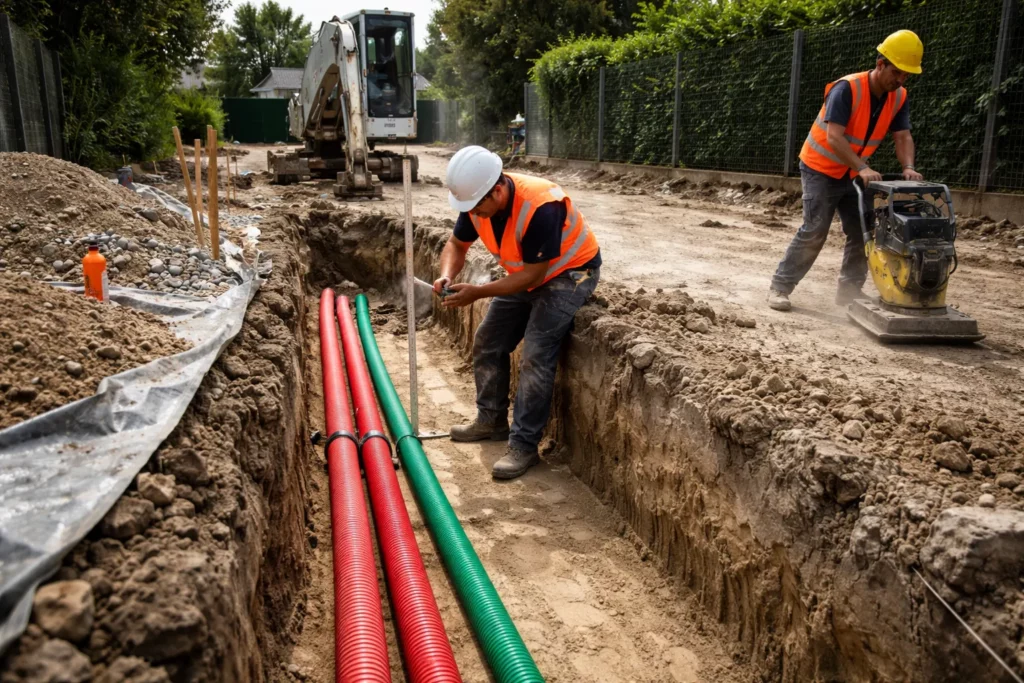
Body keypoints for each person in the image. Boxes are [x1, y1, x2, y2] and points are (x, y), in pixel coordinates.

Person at [435, 146, 601, 480]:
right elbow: (456, 245)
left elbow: (534, 277)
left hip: (570, 273)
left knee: (536, 354)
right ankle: (491, 419)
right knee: (487, 340)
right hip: (525, 272)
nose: (473, 215)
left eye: (477, 208)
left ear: (497, 190)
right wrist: (447, 276)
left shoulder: (540, 205)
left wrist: (478, 293)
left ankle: (524, 445)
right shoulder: (476, 201)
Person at [767, 30, 925, 311]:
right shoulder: (847, 88)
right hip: (820, 168)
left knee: (864, 230)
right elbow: (834, 137)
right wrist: (862, 167)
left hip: (853, 174)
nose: (900, 80)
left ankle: (849, 292)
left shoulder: (898, 97)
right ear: (880, 64)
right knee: (815, 229)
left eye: (906, 75)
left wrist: (909, 168)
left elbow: (903, 136)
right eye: (897, 72)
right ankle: (780, 287)